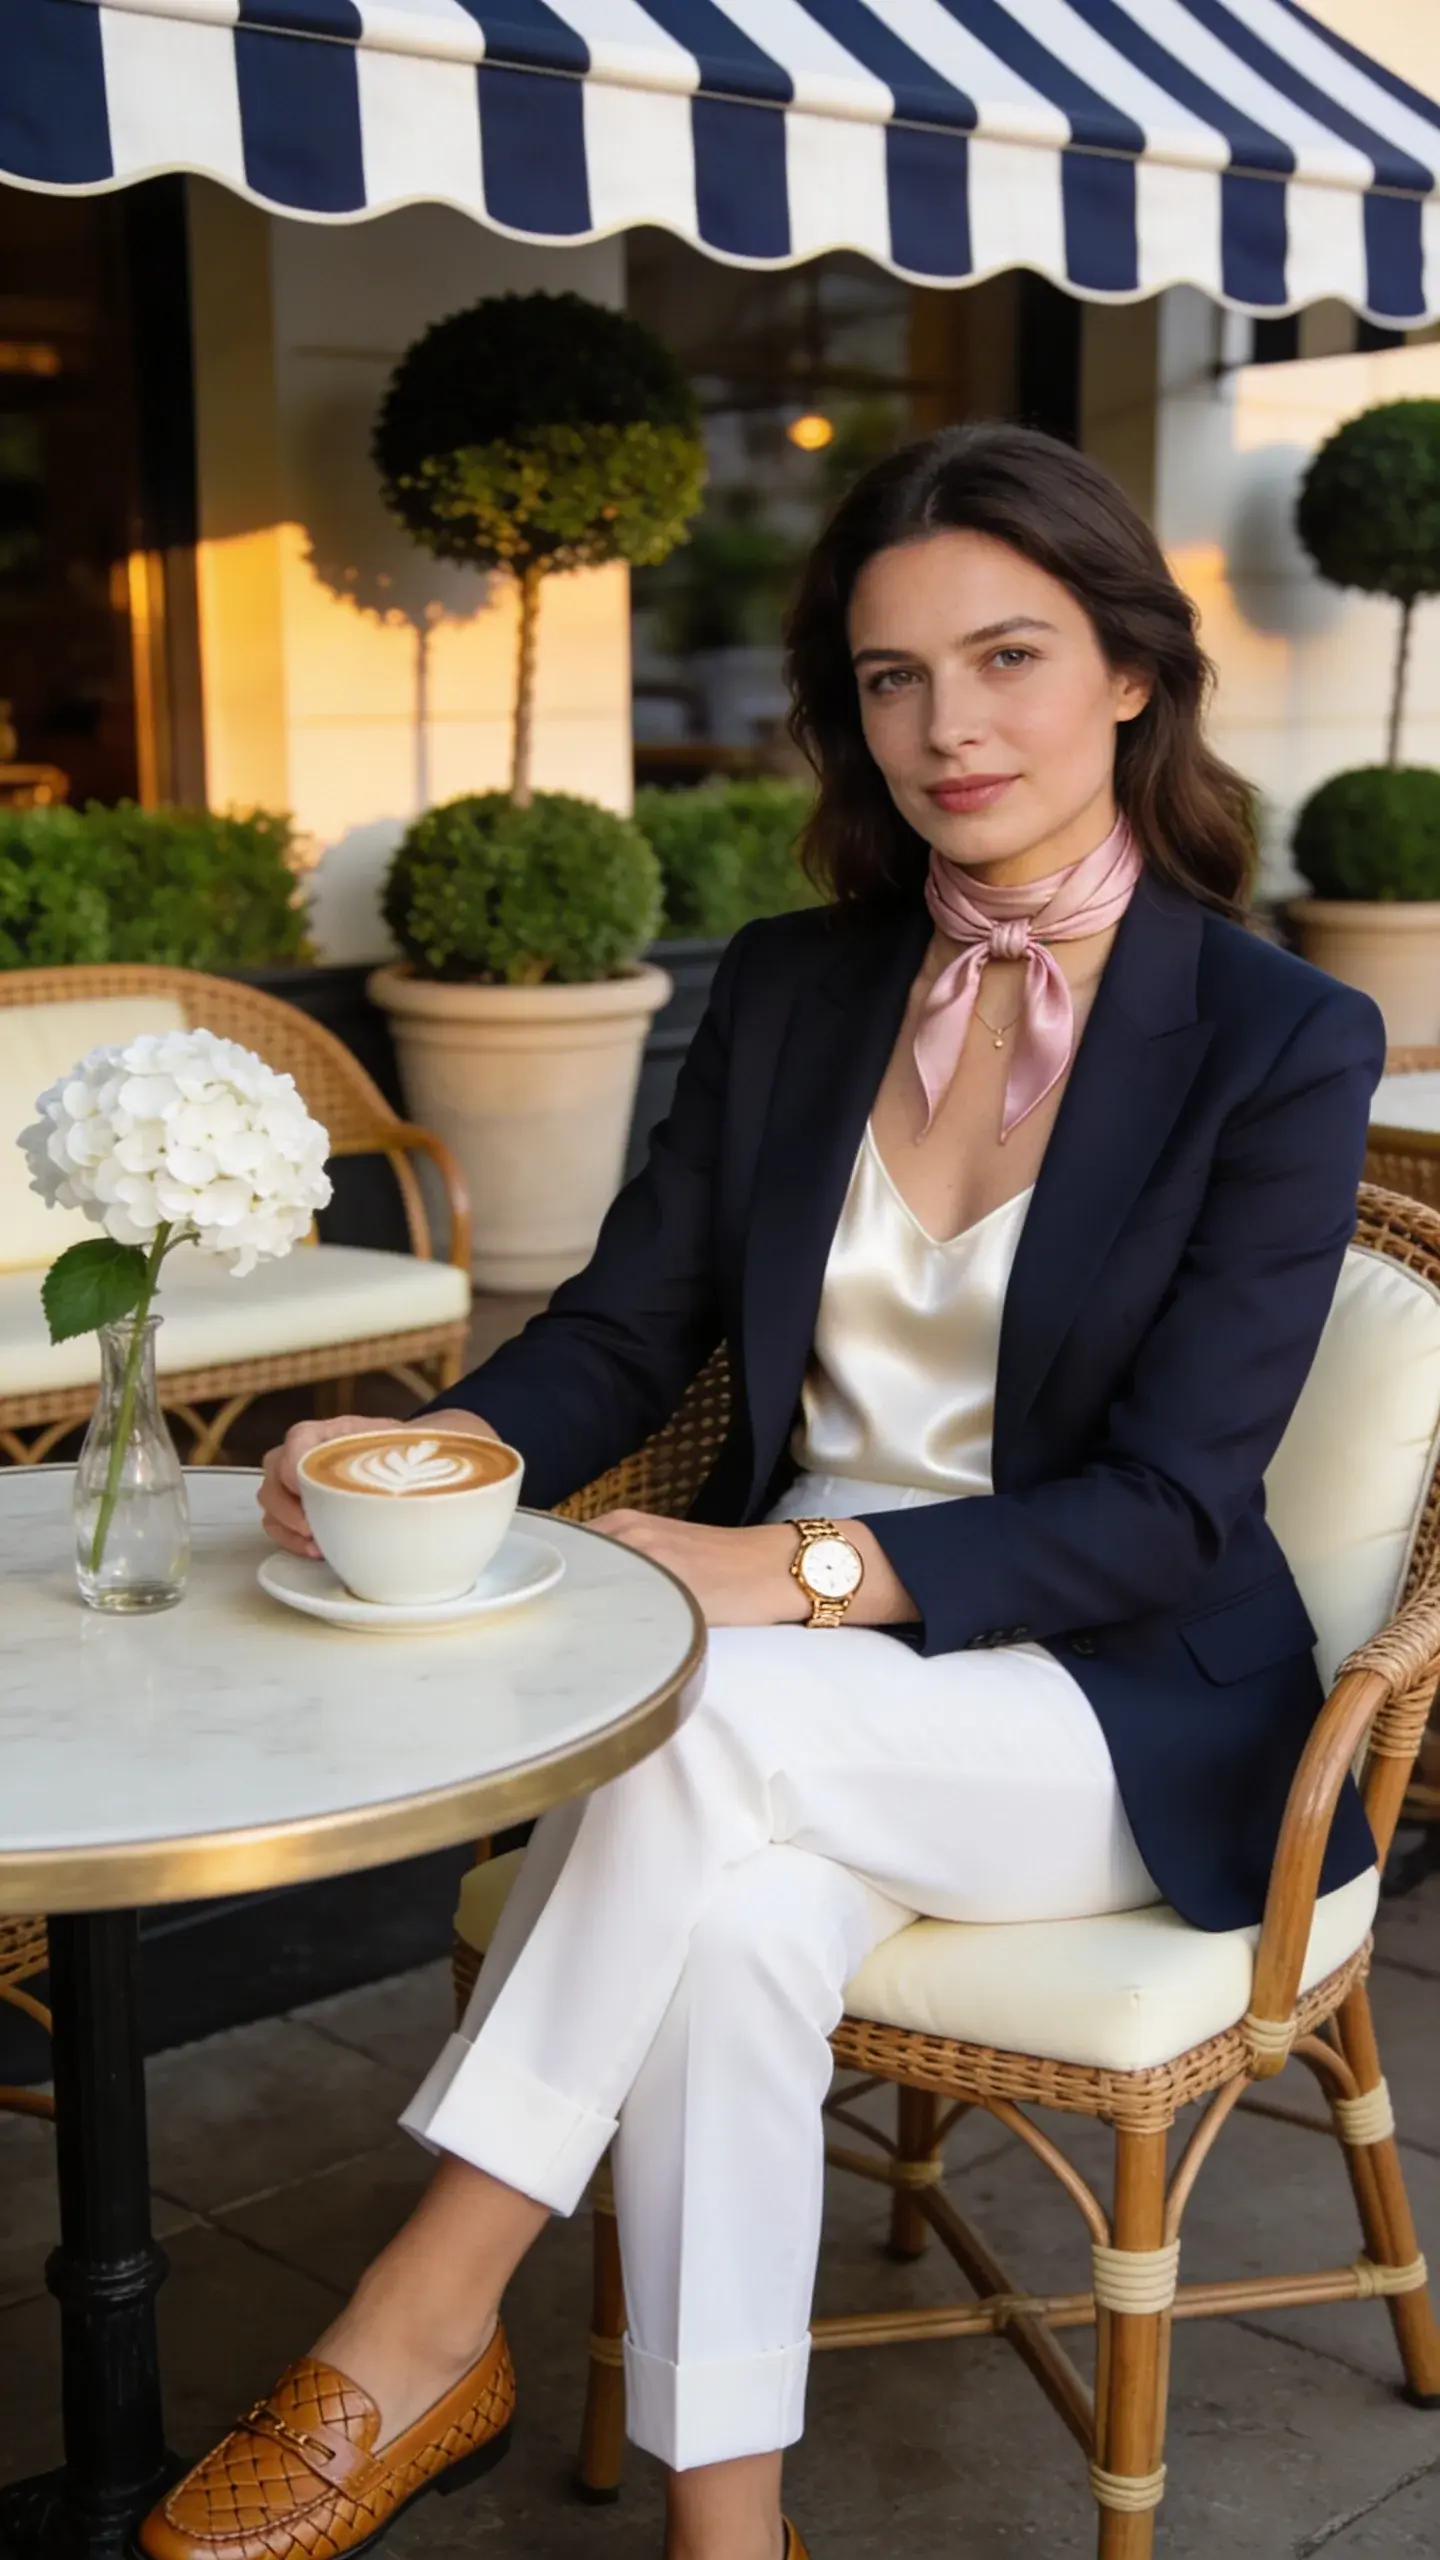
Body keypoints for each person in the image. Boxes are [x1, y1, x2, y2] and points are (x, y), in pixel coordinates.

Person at [141, 424, 1383, 2560]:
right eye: (892, 678)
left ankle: (421, 2318)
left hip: (1114, 1704)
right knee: (721, 1923)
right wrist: (433, 1456)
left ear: (1132, 677)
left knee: (680, 1699)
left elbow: (1181, 1504)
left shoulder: (1278, 1035)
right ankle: (735, 2530)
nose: (946, 724)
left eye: (1005, 655)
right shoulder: (803, 989)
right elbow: (632, 1318)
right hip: (797, 1706)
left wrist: (787, 1565)